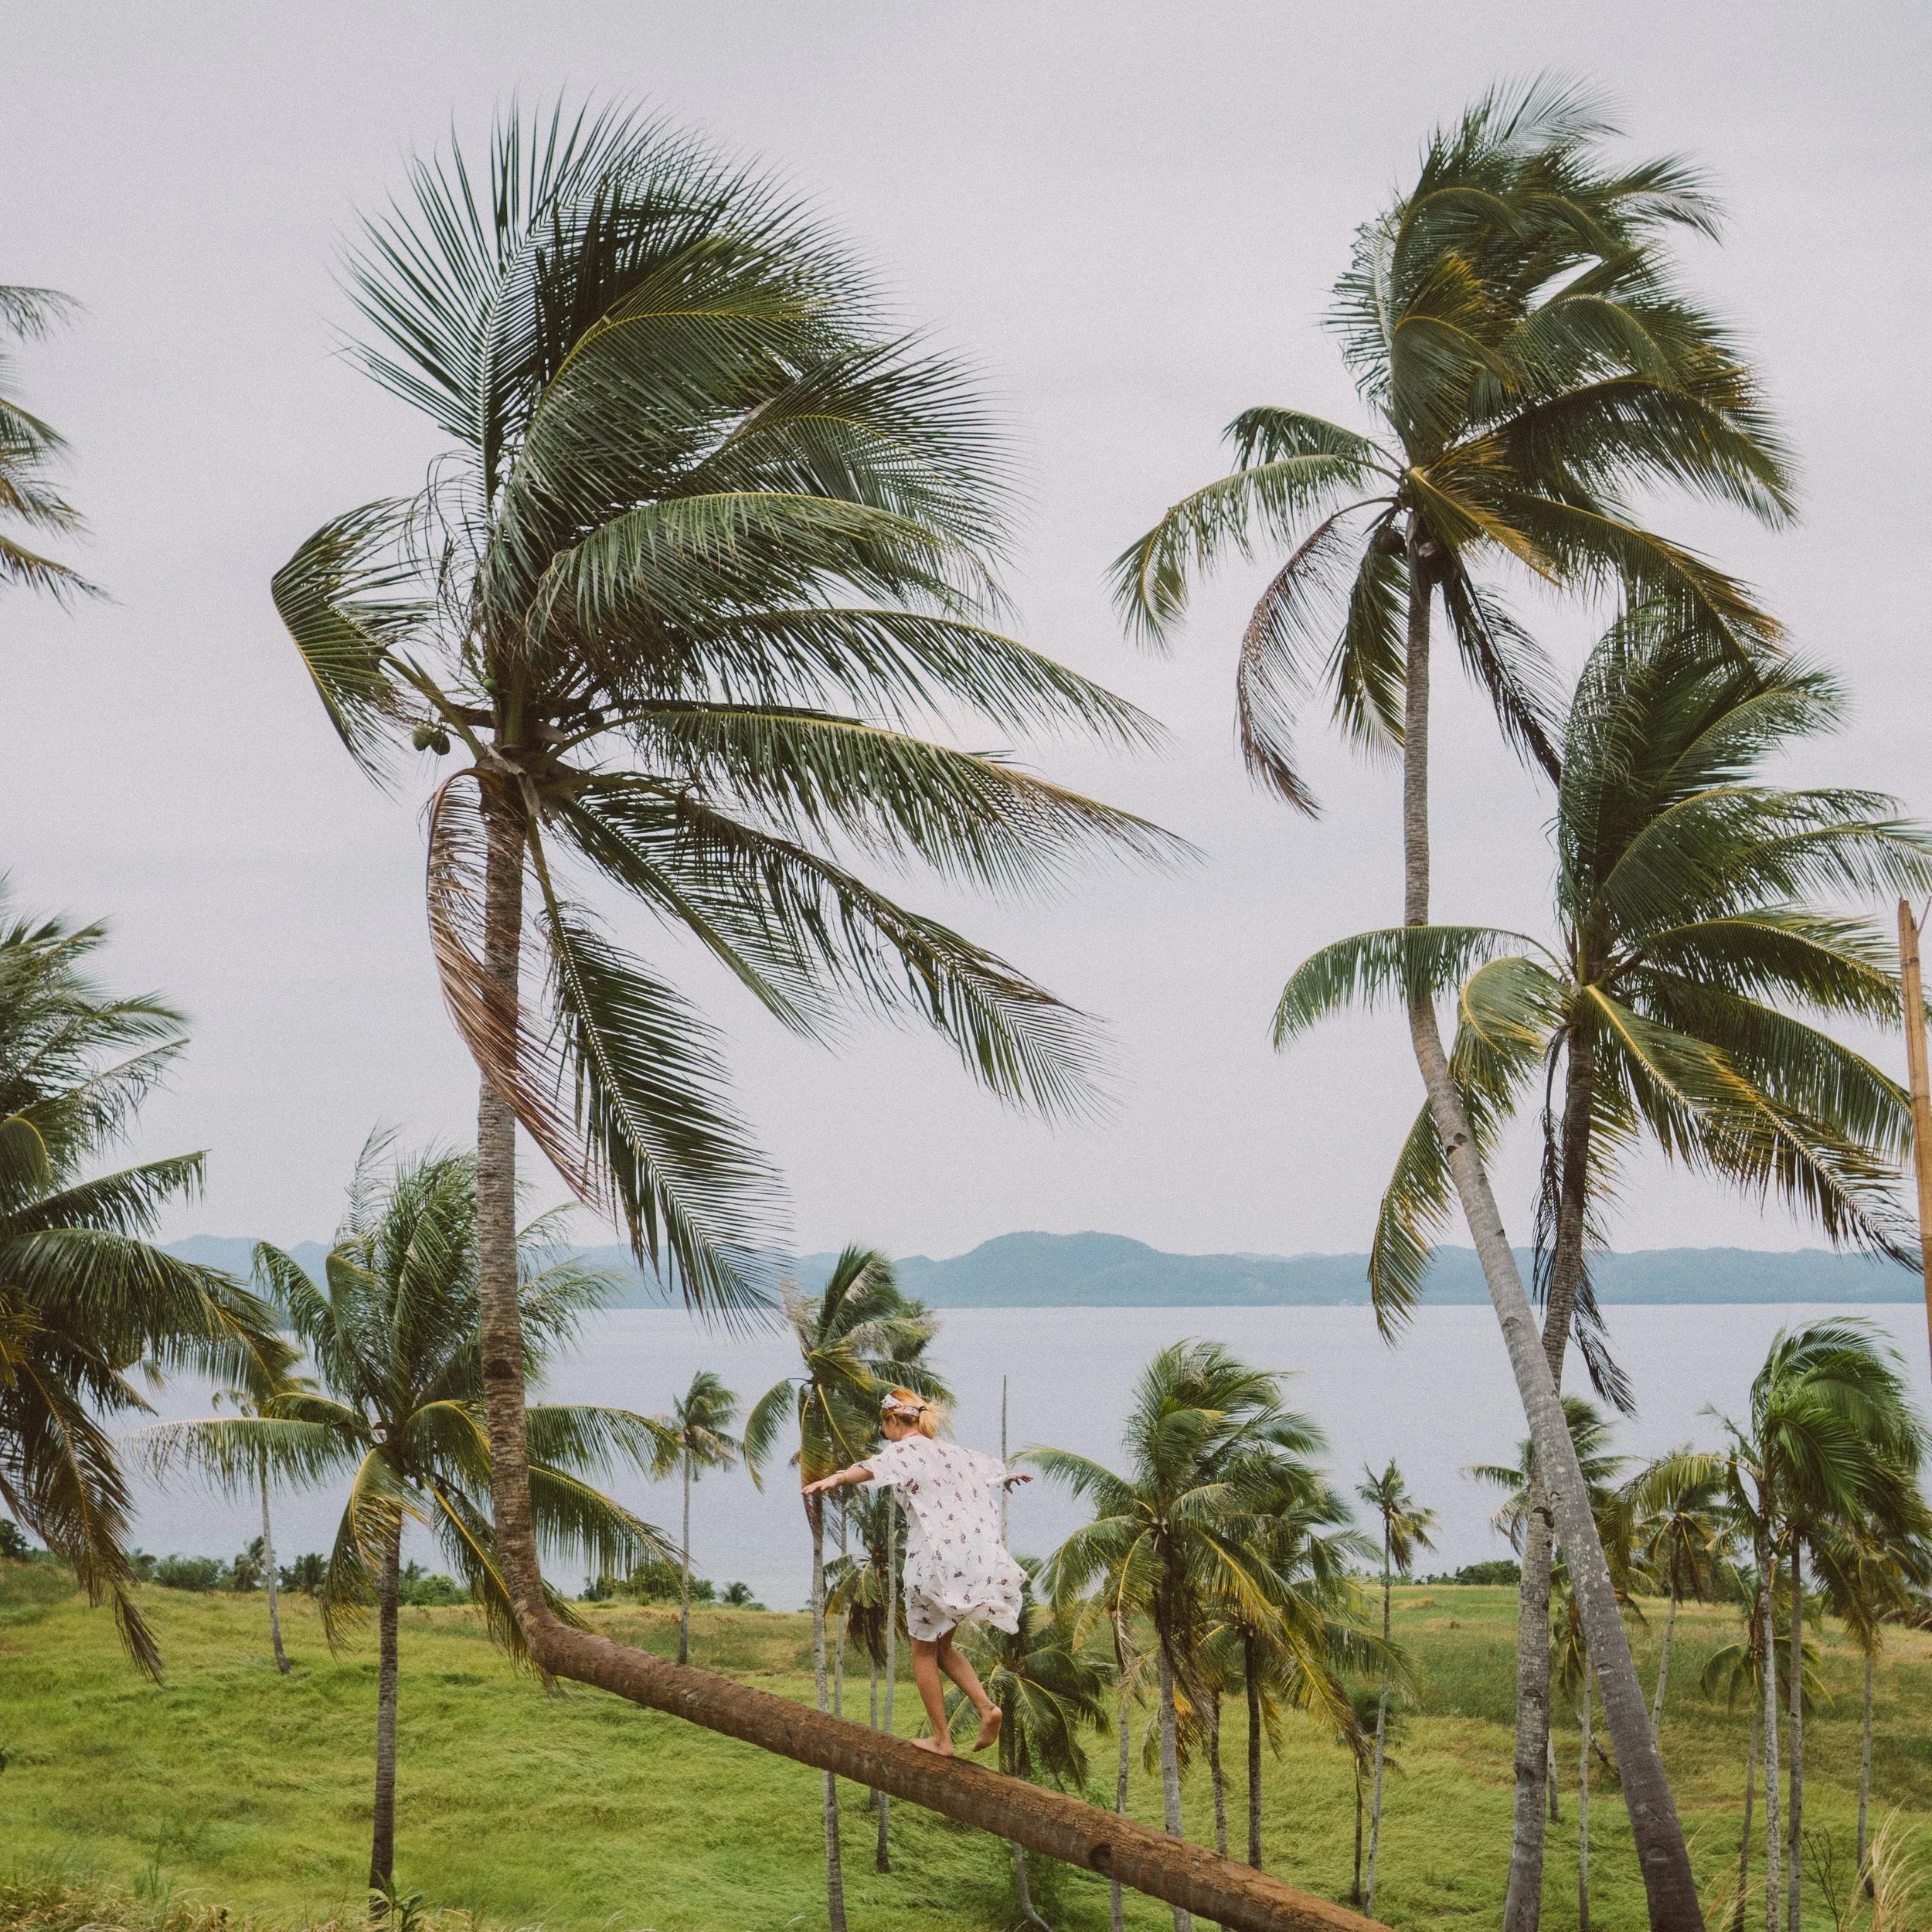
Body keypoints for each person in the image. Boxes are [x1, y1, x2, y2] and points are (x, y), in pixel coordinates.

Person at [803, 1387, 1031, 1757]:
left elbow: (871, 1468)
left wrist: (836, 1479)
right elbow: (988, 1469)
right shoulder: (951, 1451)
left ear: (893, 1420)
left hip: (930, 1563)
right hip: (965, 1564)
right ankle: (987, 1708)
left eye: (884, 1426)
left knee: (922, 1651)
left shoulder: (903, 1450)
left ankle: (942, 1739)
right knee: (942, 1645)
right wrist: (1009, 1475)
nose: (884, 1434)